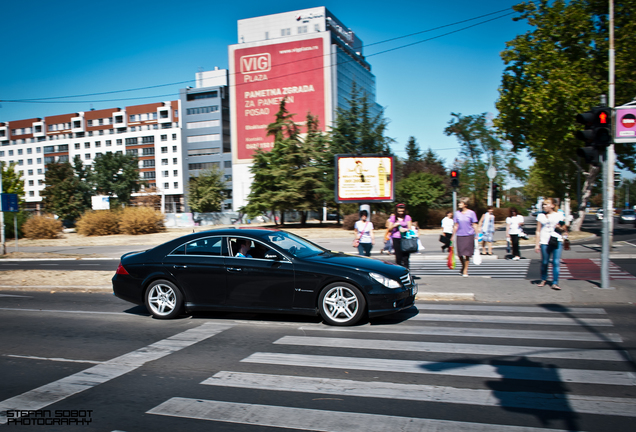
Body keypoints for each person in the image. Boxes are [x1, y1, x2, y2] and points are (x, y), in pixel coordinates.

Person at [535, 197, 567, 290]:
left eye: (546, 204)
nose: (544, 206)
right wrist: (537, 244)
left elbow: (564, 228)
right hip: (544, 241)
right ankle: (543, 279)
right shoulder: (540, 216)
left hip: (556, 240)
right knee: (545, 262)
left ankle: (555, 282)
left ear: (552, 205)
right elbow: (538, 231)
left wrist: (559, 227)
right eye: (543, 204)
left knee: (556, 262)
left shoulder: (559, 215)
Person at [452, 197, 479, 277]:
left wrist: (477, 235)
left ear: (465, 204)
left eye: (461, 203)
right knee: (460, 254)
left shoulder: (471, 213)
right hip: (460, 235)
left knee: (467, 254)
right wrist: (453, 235)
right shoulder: (457, 213)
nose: (459, 204)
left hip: (469, 235)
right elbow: (456, 225)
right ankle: (463, 265)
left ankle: (465, 270)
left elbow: (474, 224)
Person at [387, 203, 412, 268]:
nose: (401, 213)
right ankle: (399, 271)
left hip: (405, 238)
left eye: (402, 211)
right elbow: (389, 229)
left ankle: (406, 271)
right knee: (398, 257)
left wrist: (405, 230)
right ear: (396, 210)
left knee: (406, 257)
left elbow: (410, 228)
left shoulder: (407, 217)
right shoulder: (393, 217)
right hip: (396, 238)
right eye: (399, 211)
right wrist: (395, 225)